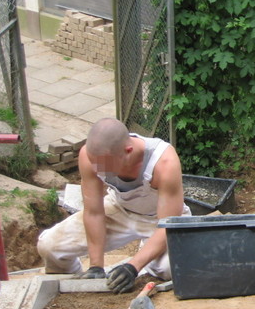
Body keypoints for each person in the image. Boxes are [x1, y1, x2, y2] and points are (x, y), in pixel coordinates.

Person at [37, 118, 190, 293]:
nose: (100, 171)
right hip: (119, 208)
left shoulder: (164, 162)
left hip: (160, 220)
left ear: (128, 151)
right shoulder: (91, 156)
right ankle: (70, 286)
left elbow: (167, 226)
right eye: (96, 165)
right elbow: (94, 212)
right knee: (50, 247)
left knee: (172, 267)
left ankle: (147, 260)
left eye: (106, 166)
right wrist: (96, 266)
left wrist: (132, 267)